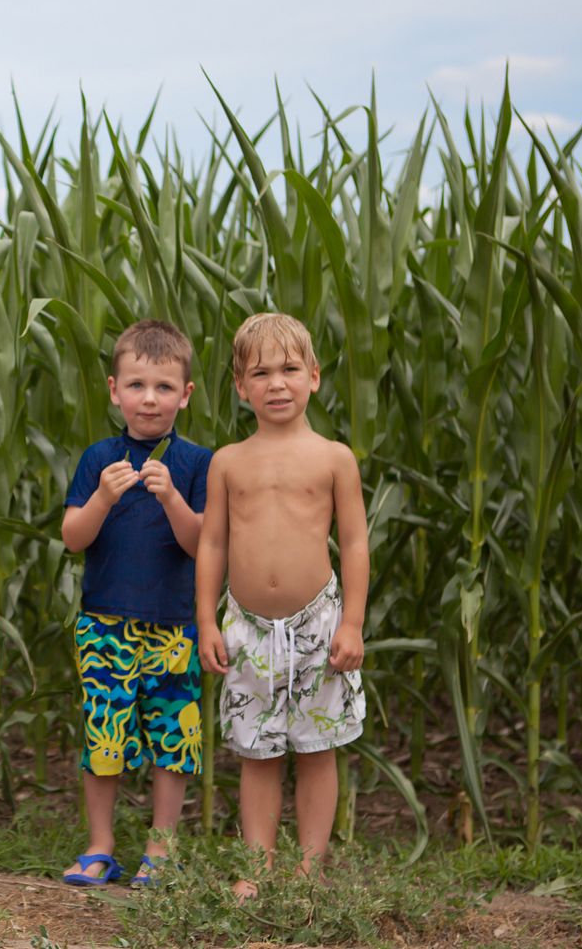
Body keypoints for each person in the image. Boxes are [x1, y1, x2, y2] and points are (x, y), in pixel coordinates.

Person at [195, 312, 368, 898]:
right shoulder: (228, 461)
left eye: (290, 369)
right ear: (240, 387)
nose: (276, 383)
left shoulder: (334, 458)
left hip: (317, 620)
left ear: (314, 377)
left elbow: (354, 543)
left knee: (318, 750)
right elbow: (212, 543)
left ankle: (311, 867)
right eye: (260, 372)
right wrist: (204, 622)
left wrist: (352, 623)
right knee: (256, 750)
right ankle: (258, 866)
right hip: (245, 624)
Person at [60, 319, 210, 888]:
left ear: (186, 395)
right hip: (104, 627)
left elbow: (200, 544)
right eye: (137, 385)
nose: (150, 399)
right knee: (105, 736)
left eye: (165, 387)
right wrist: (103, 495)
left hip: (174, 629)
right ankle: (100, 846)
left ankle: (161, 849)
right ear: (113, 389)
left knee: (175, 737)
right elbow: (74, 537)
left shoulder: (198, 464)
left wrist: (171, 495)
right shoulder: (99, 456)